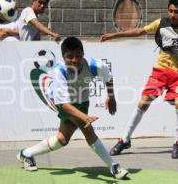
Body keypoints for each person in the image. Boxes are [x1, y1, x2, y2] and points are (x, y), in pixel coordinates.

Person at [101, 0, 178, 159]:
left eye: (176, 12)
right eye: (170, 11)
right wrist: (115, 35)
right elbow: (140, 31)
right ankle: (125, 139)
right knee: (143, 102)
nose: (172, 15)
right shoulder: (161, 23)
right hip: (160, 72)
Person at [16, 37, 128, 179]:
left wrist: (111, 97)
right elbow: (64, 105)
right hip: (64, 103)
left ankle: (26, 153)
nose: (74, 60)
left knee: (62, 139)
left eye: (78, 56)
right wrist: (84, 117)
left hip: (82, 100)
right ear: (63, 57)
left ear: (83, 54)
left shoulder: (95, 65)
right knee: (88, 130)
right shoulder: (59, 71)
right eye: (70, 57)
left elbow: (108, 78)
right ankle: (114, 166)